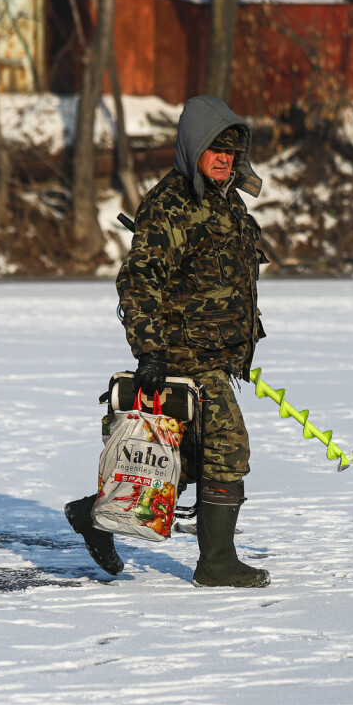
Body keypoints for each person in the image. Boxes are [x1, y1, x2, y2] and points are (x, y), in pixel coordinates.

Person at [65, 95, 270, 588]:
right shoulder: (171, 205)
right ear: (193, 147)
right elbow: (139, 281)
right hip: (184, 355)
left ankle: (93, 514)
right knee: (227, 447)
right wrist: (150, 351)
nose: (225, 157)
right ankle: (217, 563)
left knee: (179, 459)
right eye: (216, 148)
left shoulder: (227, 201)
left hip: (217, 356)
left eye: (232, 150)